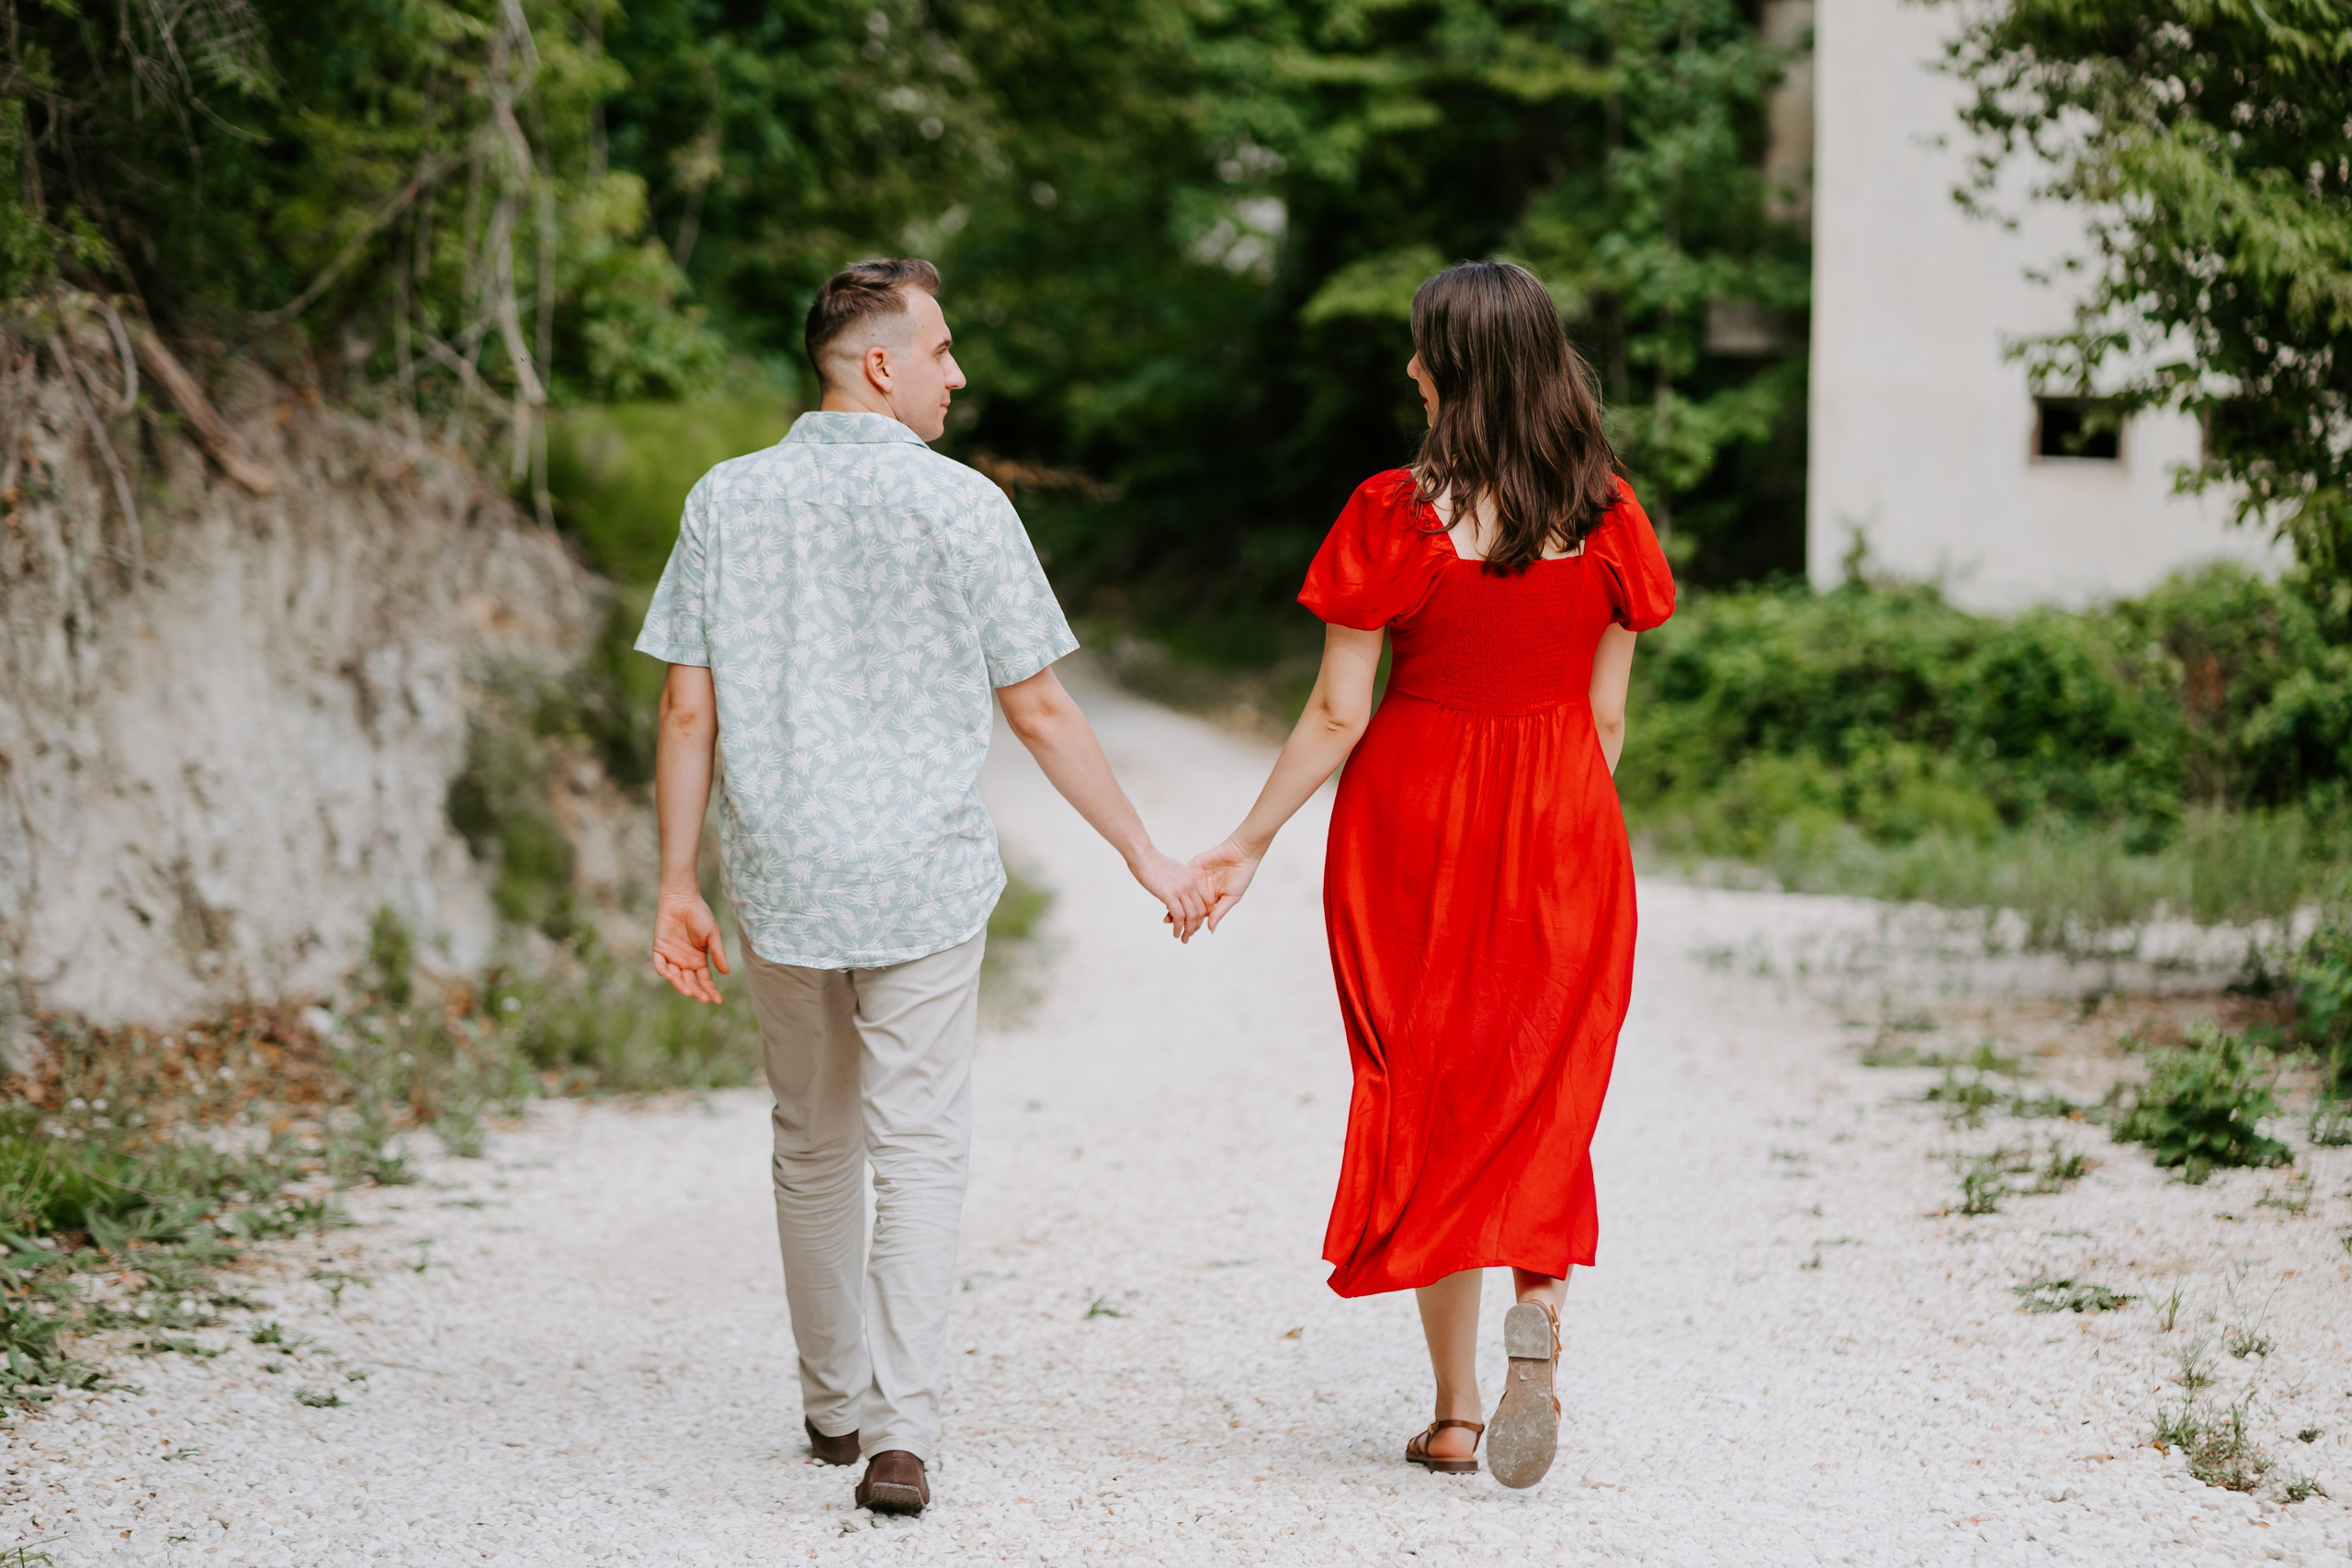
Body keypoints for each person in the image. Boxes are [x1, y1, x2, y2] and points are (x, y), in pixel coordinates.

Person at [637, 257, 1207, 1517]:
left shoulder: (727, 500)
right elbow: (1044, 708)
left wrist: (677, 878)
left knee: (811, 1139)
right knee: (922, 1149)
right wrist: (1142, 852)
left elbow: (687, 705)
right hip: (920, 880)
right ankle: (902, 1436)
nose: (958, 374)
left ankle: (830, 1405)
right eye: (941, 351)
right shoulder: (964, 509)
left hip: (782, 874)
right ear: (879, 364)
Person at [1189, 260, 1674, 1490]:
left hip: (1417, 827)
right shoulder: (1609, 513)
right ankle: (1541, 1293)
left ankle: (1456, 1413)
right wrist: (1562, 835)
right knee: (1540, 1085)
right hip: (1567, 822)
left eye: (1420, 352)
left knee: (1435, 1091)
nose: (1407, 367)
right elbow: (1609, 725)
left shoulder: (1392, 513)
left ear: (1451, 372)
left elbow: (1338, 711)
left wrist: (1245, 841)